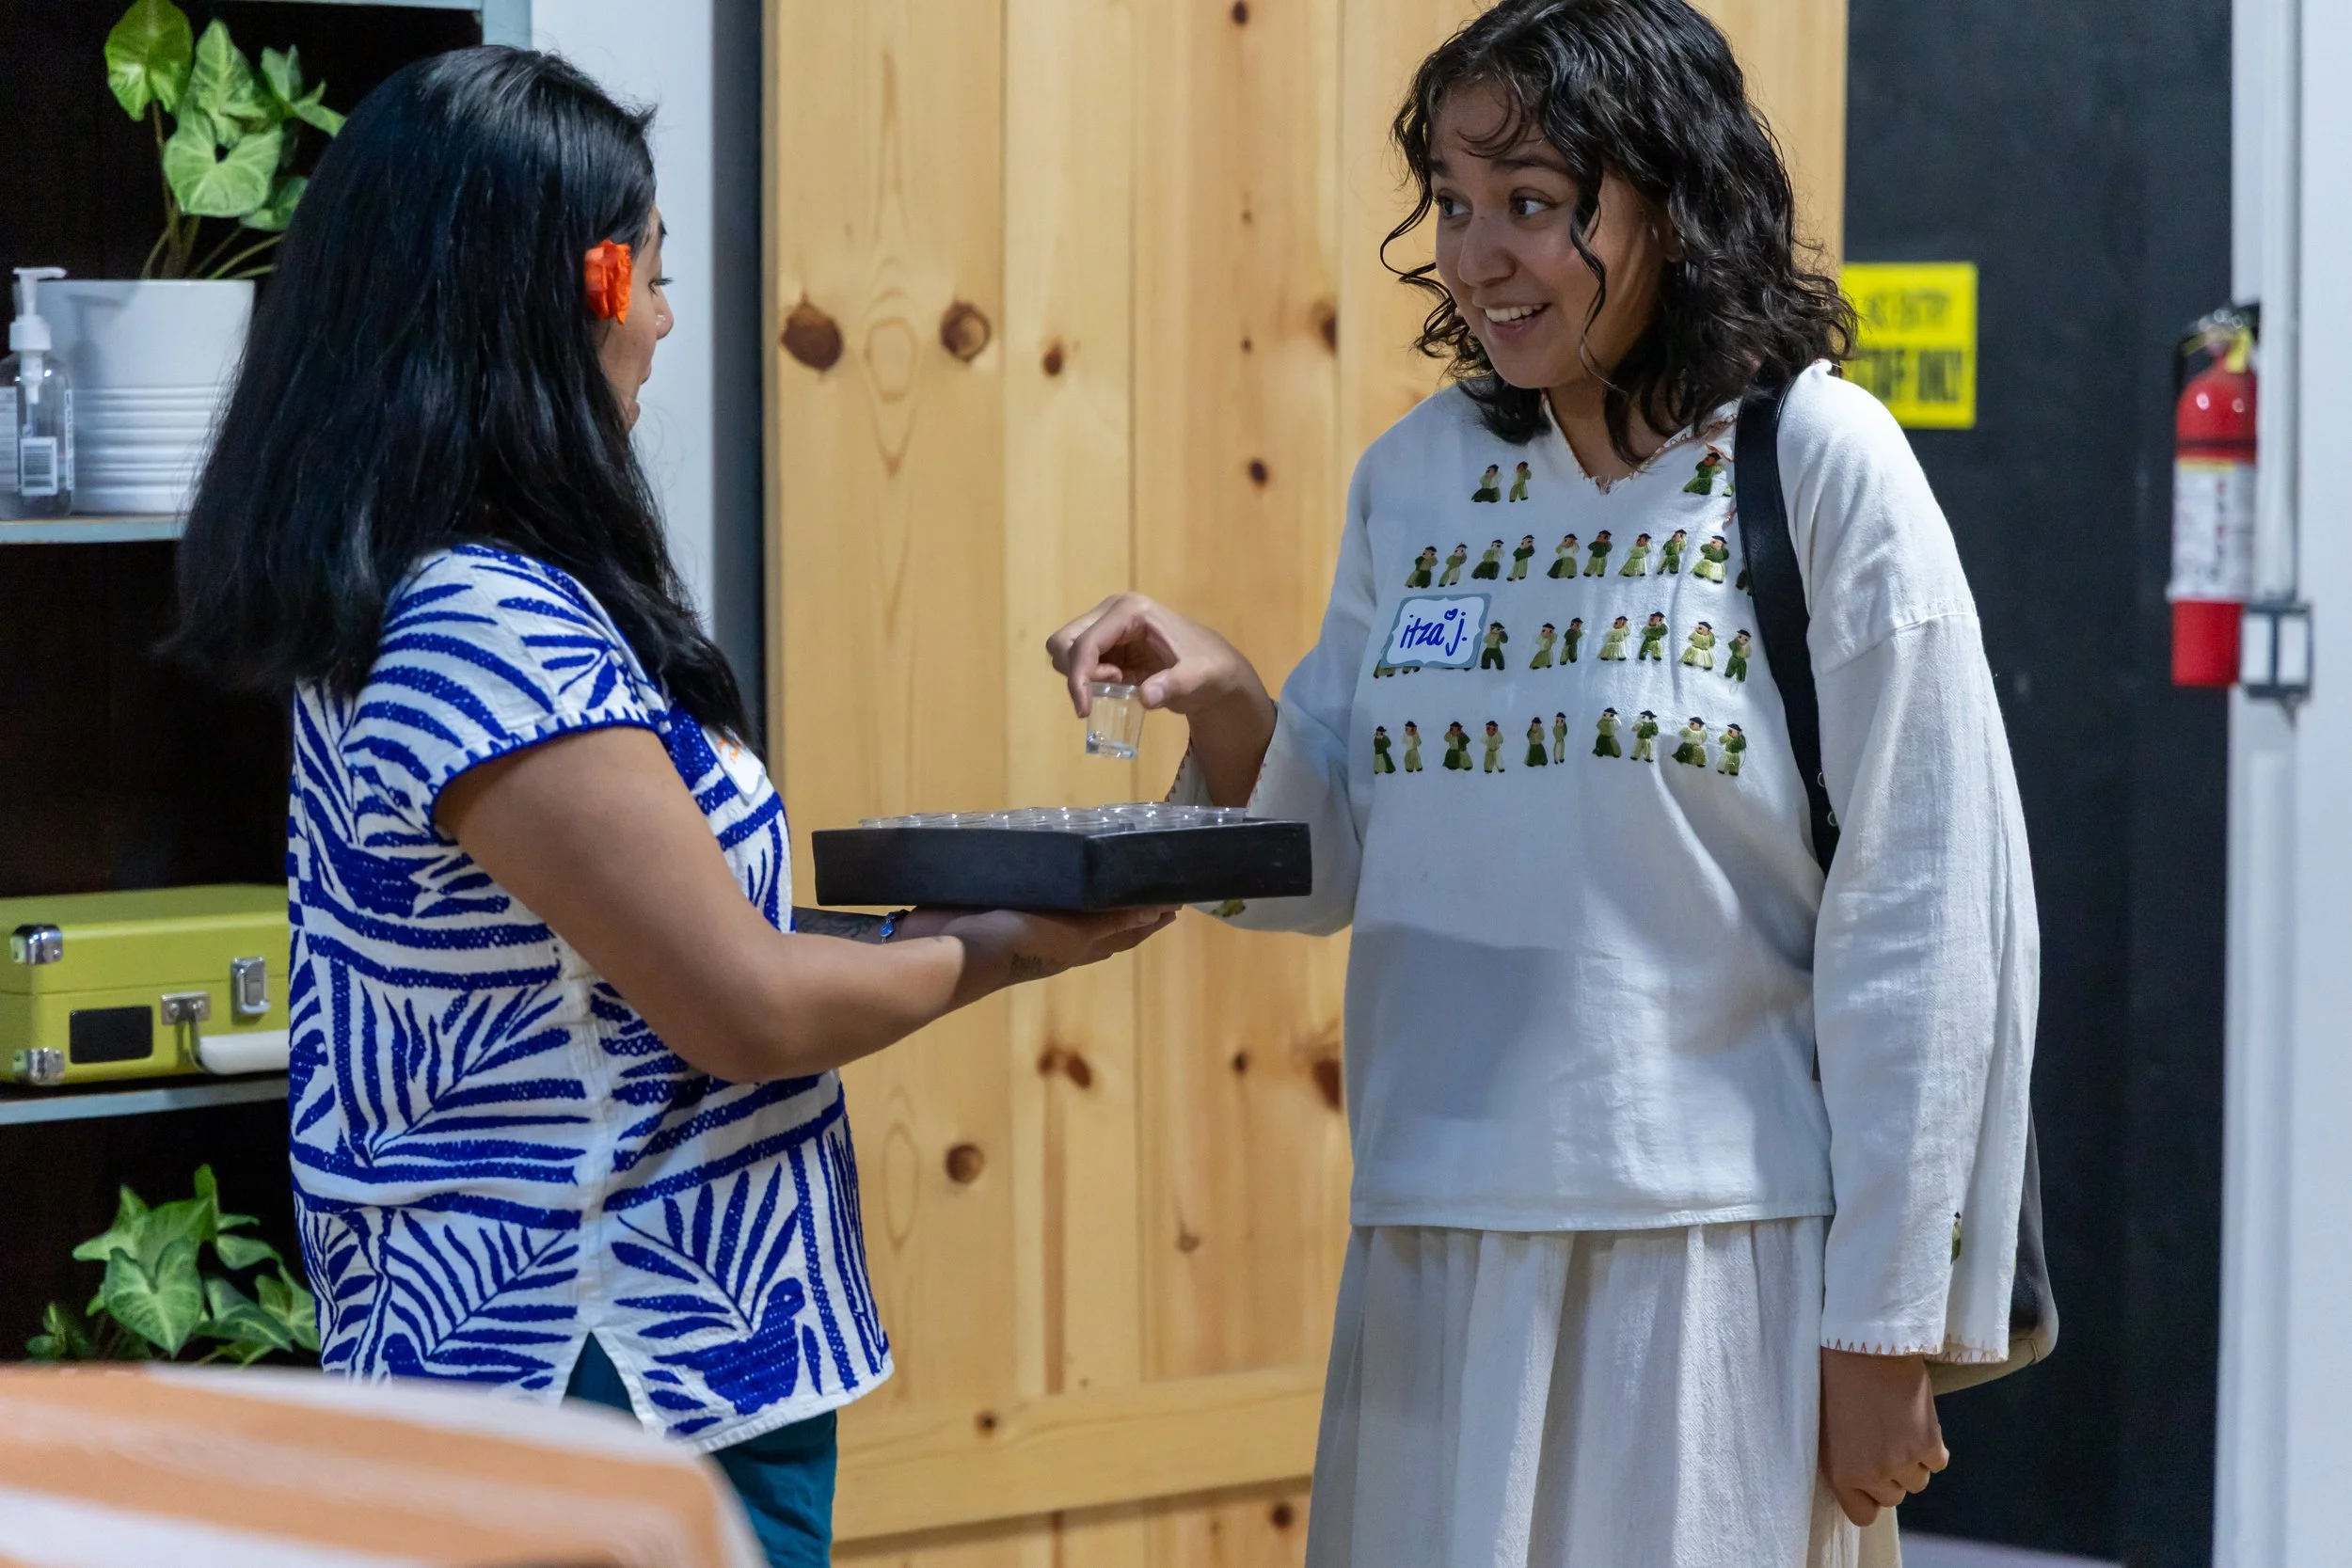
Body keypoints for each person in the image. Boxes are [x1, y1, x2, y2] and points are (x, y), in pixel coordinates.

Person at [1044, 3, 2035, 1563]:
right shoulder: (1416, 479)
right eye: (1451, 200)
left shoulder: (1819, 464)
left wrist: (1888, 1323)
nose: (1476, 254)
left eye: (1532, 202)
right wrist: (1233, 697)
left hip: (1716, 1259)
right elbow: (1329, 859)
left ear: (1672, 200)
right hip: (1433, 1243)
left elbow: (1922, 922)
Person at [165, 49, 1168, 1568]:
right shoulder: (478, 622)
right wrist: (1007, 942)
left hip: (646, 1352)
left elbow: (634, 963)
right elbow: (739, 1003)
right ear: (558, 293)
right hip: (593, 1355)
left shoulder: (444, 590)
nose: (663, 319)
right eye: (648, 271)